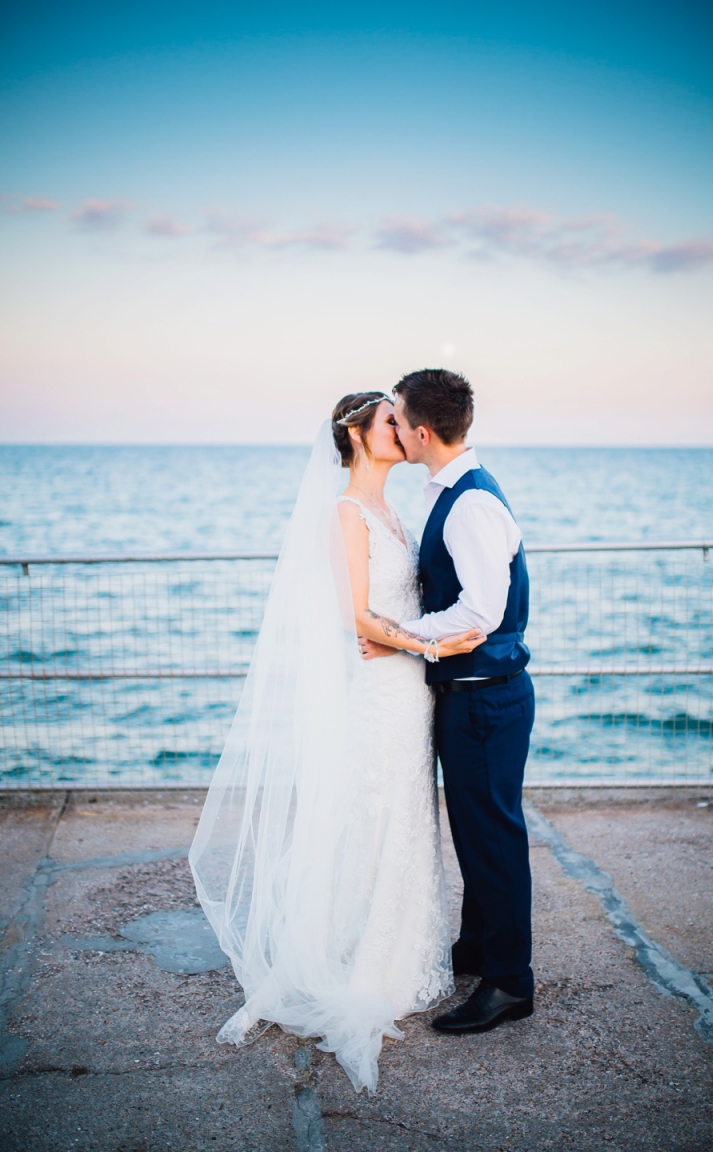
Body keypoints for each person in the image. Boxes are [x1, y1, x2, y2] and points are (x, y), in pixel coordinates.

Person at [189, 392, 483, 1094]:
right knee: (373, 808)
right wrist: (431, 644)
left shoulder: (391, 511)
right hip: (379, 691)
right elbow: (357, 616)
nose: (401, 429)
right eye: (389, 420)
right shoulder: (346, 513)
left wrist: (423, 646)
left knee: (407, 812)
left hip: (409, 691)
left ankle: (402, 951)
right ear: (356, 434)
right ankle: (361, 960)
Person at [363, 368, 535, 1034]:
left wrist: (402, 638)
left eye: (399, 419)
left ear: (423, 432)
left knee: (493, 838)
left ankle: (509, 984)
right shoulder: (451, 492)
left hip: (486, 698)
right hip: (470, 695)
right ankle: (478, 949)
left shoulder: (470, 504)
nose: (395, 428)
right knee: (475, 831)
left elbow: (480, 612)